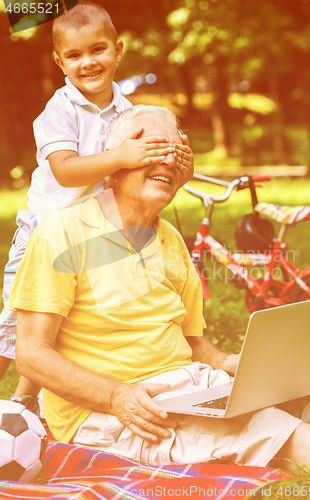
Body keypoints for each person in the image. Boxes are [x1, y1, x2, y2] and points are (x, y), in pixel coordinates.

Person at [8, 105, 310, 471]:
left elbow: (191, 342)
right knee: (274, 431)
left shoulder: (171, 239)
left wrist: (229, 364)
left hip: (192, 387)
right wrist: (117, 395)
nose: (165, 162)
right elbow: (31, 354)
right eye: (150, 151)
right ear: (113, 168)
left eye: (174, 153)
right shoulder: (61, 234)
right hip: (119, 411)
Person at [0, 1, 193, 413]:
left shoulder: (128, 112)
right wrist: (124, 155)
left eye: (98, 50)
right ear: (60, 62)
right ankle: (12, 398)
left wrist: (180, 165)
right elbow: (66, 172)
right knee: (15, 327)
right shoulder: (60, 110)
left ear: (118, 51)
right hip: (43, 233)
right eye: (74, 55)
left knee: (64, 320)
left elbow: (143, 172)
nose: (88, 62)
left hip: (94, 234)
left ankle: (24, 404)